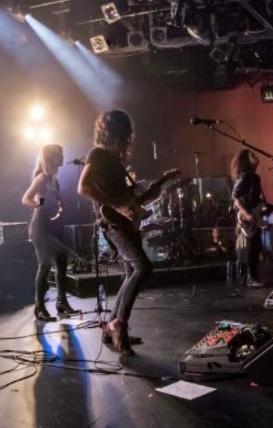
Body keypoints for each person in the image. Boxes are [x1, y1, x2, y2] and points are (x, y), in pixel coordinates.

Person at [78, 110, 178, 355]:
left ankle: (111, 328)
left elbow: (131, 200)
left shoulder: (115, 161)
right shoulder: (97, 154)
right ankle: (118, 325)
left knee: (131, 271)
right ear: (118, 132)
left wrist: (159, 187)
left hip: (123, 222)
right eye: (127, 133)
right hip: (112, 223)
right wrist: (116, 206)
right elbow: (83, 187)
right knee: (143, 267)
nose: (129, 139)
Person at [21, 143, 79, 321]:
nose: (62, 158)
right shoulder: (42, 178)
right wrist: (41, 207)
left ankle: (61, 304)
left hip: (52, 227)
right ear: (52, 157)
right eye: (59, 155)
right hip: (40, 227)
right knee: (45, 265)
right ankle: (39, 308)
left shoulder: (55, 180)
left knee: (61, 262)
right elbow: (26, 199)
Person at [230, 149, 266, 287]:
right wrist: (246, 213)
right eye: (252, 155)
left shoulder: (255, 177)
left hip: (254, 214)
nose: (256, 156)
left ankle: (253, 276)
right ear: (246, 160)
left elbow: (256, 199)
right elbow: (234, 197)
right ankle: (251, 278)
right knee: (253, 247)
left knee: (256, 246)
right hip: (248, 217)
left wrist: (263, 207)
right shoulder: (244, 177)